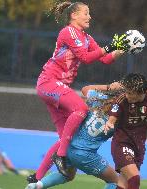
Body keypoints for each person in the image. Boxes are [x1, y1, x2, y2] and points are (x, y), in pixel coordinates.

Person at [34, 0, 129, 179]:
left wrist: (123, 47)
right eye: (85, 12)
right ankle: (60, 156)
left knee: (66, 139)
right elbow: (85, 58)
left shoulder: (86, 37)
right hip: (49, 83)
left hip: (56, 87)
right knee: (82, 109)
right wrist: (109, 46)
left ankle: (36, 178)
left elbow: (106, 59)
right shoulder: (68, 31)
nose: (89, 16)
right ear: (73, 15)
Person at [25, 82, 125, 189]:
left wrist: (108, 87)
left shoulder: (99, 100)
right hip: (85, 154)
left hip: (68, 147)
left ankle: (37, 186)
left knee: (67, 175)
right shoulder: (122, 115)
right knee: (116, 181)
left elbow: (85, 89)